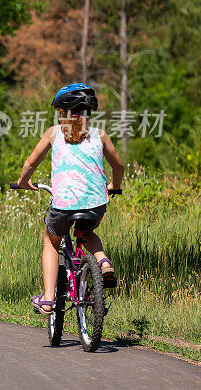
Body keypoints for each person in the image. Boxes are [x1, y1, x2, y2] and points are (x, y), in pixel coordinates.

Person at [16, 83, 124, 315]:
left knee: (51, 242)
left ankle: (47, 298)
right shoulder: (100, 135)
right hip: (96, 203)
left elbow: (30, 163)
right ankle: (103, 262)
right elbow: (119, 165)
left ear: (63, 112)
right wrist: (115, 185)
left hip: (64, 204)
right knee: (86, 234)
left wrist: (24, 182)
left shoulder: (53, 133)